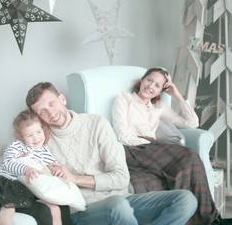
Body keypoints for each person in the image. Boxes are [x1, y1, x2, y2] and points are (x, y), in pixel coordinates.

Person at [25, 81, 198, 225]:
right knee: (118, 206)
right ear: (38, 117)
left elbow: (122, 177)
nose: (51, 113)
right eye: (42, 111)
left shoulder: (96, 123)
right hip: (85, 211)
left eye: (51, 103)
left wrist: (75, 178)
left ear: (62, 99)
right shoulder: (40, 141)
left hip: (124, 200)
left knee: (186, 200)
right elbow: (11, 158)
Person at [111, 67, 231, 225]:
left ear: (161, 90)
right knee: (188, 154)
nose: (150, 86)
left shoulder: (158, 107)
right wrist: (150, 143)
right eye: (149, 80)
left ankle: (194, 219)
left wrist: (177, 95)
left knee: (186, 165)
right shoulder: (124, 99)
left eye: (157, 85)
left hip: (152, 150)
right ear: (142, 80)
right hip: (130, 149)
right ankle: (209, 219)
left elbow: (192, 123)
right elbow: (121, 134)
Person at [0, 109, 72, 225]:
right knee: (9, 207)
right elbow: (8, 163)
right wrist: (26, 169)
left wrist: (57, 170)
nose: (36, 138)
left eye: (38, 132)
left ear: (43, 130)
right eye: (30, 135)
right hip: (6, 182)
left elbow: (53, 165)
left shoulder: (44, 150)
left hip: (27, 187)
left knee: (56, 207)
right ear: (21, 137)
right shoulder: (17, 146)